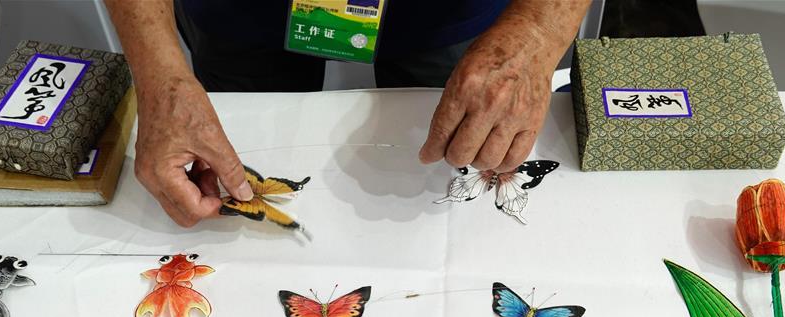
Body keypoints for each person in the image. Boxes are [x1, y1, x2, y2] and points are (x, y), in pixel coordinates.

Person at [104, 0, 591, 227]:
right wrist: (160, 77)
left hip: (450, 19)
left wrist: (537, 33)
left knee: (459, 164)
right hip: (241, 16)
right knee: (223, 182)